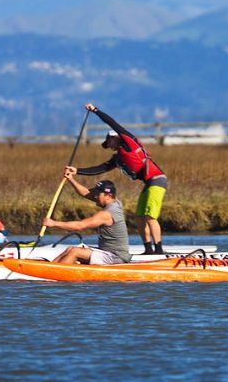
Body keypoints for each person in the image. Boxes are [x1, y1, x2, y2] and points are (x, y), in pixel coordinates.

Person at [66, 102, 167, 255]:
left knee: (149, 216)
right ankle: (148, 249)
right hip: (148, 183)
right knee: (139, 217)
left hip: (157, 180)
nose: (109, 146)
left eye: (110, 142)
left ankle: (158, 250)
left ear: (115, 137)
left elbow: (111, 123)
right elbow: (100, 168)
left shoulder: (129, 142)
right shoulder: (118, 158)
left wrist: (95, 110)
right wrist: (77, 171)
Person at [42, 171, 131, 265]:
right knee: (70, 249)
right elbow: (86, 192)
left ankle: (56, 273)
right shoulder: (116, 202)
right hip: (106, 253)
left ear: (108, 196)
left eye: (98, 194)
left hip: (116, 257)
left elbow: (80, 226)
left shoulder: (106, 214)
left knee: (75, 251)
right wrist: (71, 179)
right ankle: (49, 268)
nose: (95, 196)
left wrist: (53, 223)